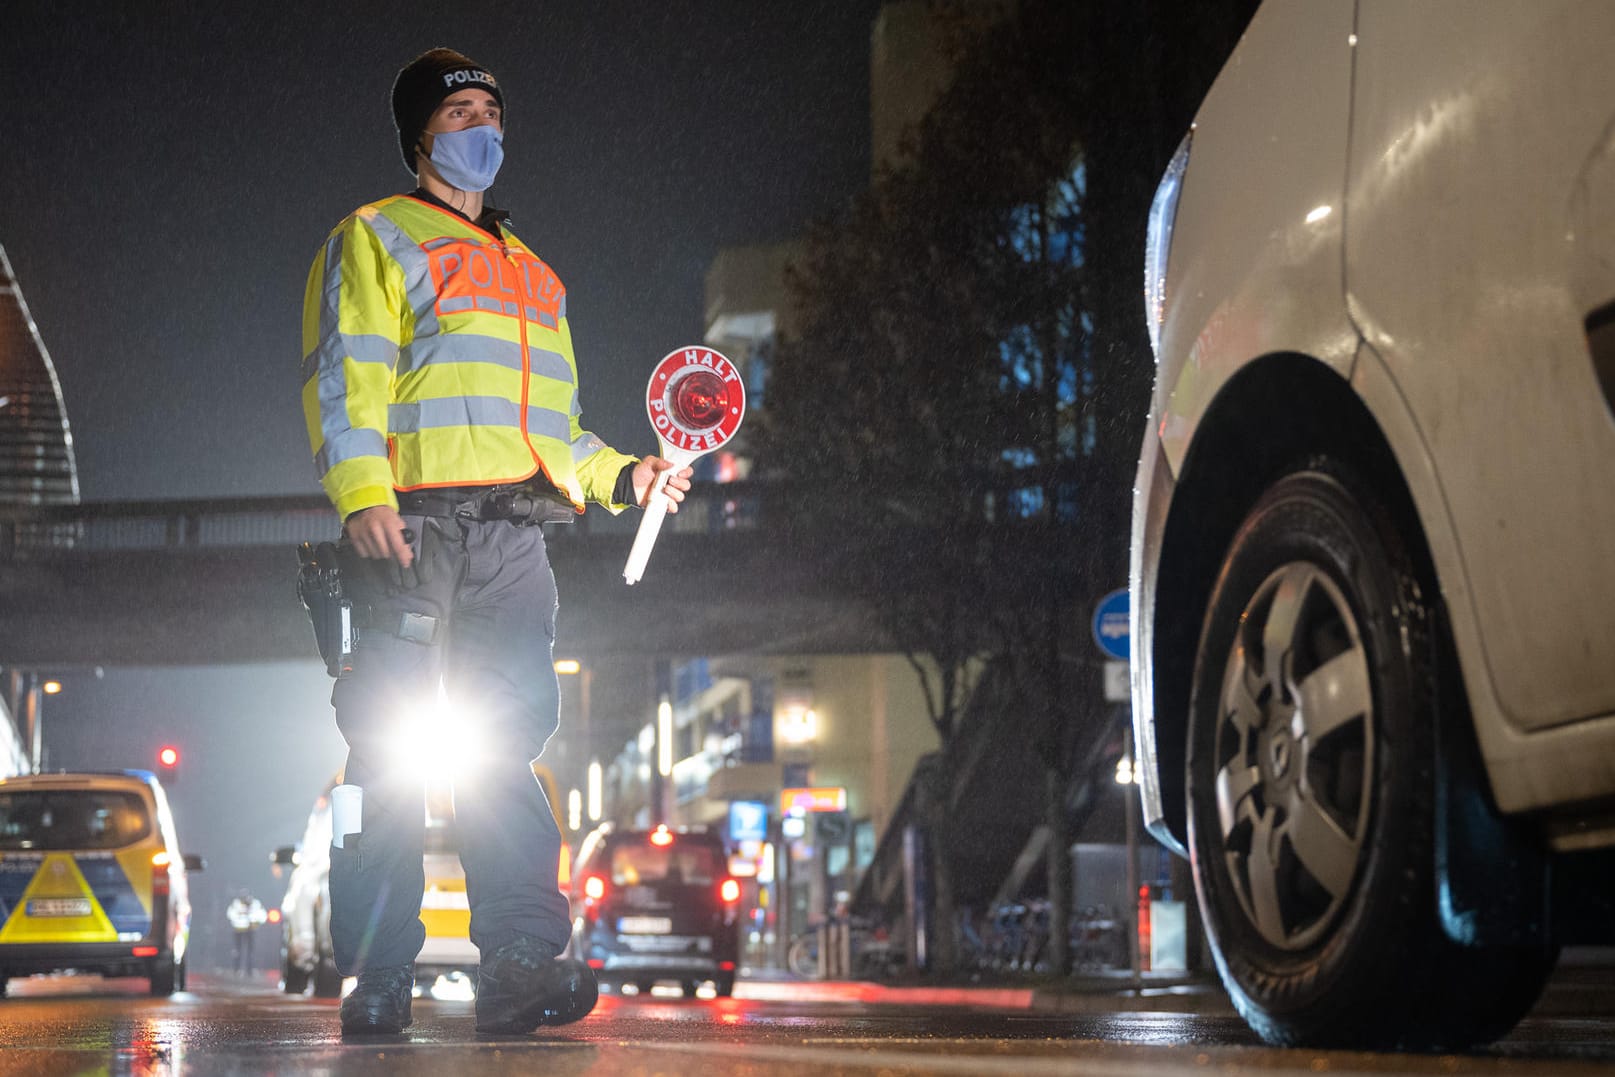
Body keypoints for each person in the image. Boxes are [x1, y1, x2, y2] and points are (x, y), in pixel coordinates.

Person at [300, 47, 692, 1036]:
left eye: (492, 111)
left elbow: (555, 434)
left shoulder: (534, 276)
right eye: (462, 110)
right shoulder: (377, 237)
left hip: (515, 545)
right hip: (409, 533)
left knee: (503, 759)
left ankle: (519, 960)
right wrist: (360, 494)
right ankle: (376, 976)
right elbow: (348, 376)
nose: (484, 128)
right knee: (385, 760)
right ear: (421, 137)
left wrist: (625, 476)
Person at [226, 890, 267, 978]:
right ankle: (237, 970)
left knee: (251, 952)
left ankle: (250, 971)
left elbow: (263, 916)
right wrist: (240, 915)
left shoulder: (255, 904)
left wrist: (255, 921)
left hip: (250, 930)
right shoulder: (236, 904)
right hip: (239, 930)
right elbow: (230, 914)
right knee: (237, 951)